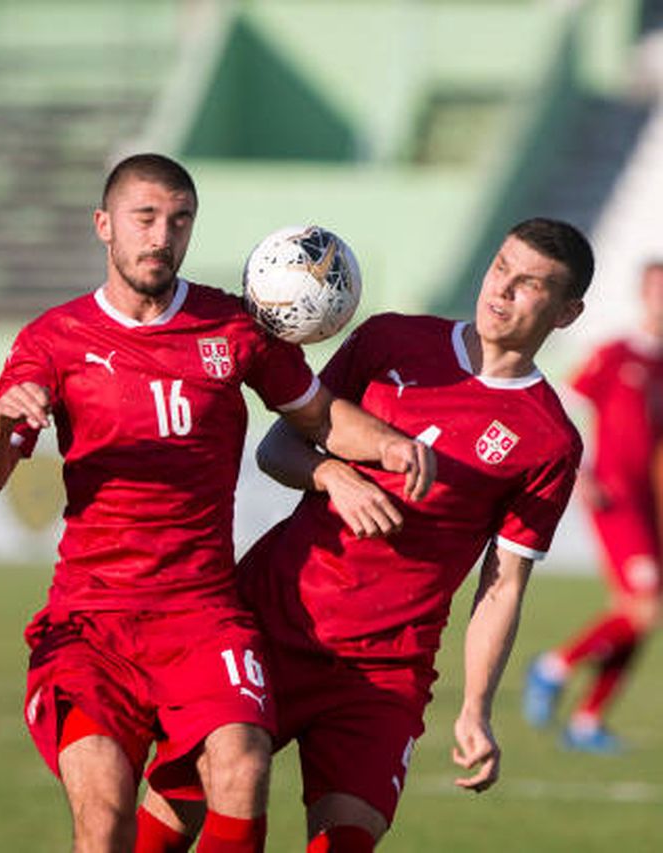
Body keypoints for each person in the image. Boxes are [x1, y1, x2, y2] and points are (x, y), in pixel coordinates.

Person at [0, 153, 434, 853]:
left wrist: (387, 446)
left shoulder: (232, 327)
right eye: (144, 218)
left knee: (242, 767)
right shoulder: (53, 341)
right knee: (107, 812)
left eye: (178, 221)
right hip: (93, 621)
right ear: (104, 226)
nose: (161, 237)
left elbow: (317, 415)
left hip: (203, 614)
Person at [137, 218, 592, 852]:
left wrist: (476, 709)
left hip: (385, 670)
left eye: (529, 284)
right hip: (271, 622)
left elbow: (503, 583)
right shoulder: (391, 340)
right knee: (183, 808)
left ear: (567, 313)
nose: (501, 290)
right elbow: (277, 449)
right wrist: (331, 475)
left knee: (345, 841)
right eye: (500, 269)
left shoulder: (549, 440)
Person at [524, 260, 663, 752]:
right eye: (657, 290)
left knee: (635, 611)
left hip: (648, 502)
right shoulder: (616, 352)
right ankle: (553, 667)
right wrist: (579, 471)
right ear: (643, 294)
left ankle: (587, 721)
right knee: (644, 608)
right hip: (613, 493)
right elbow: (565, 404)